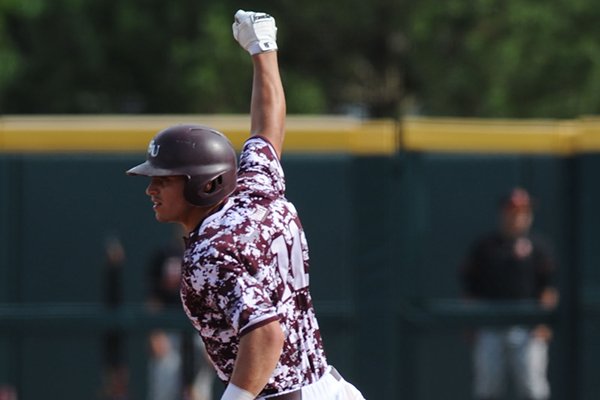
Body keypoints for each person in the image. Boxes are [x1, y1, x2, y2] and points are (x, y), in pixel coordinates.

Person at [127, 9, 365, 400]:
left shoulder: (210, 253)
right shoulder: (256, 187)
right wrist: (263, 49)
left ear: (204, 183)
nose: (151, 189)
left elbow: (266, 334)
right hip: (331, 387)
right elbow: (267, 125)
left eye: (164, 180)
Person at [460, 187, 559, 400]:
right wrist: (471, 323)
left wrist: (544, 323)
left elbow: (549, 288)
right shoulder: (484, 247)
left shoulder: (540, 247)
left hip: (528, 326)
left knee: (532, 387)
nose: (518, 217)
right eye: (513, 211)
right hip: (490, 324)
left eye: (524, 212)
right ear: (503, 213)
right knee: (488, 386)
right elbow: (470, 289)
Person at [146, 242, 214, 400]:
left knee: (199, 389)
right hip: (170, 330)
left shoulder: (207, 251)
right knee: (166, 374)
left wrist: (211, 338)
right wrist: (155, 332)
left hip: (198, 330)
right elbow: (154, 295)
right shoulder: (165, 253)